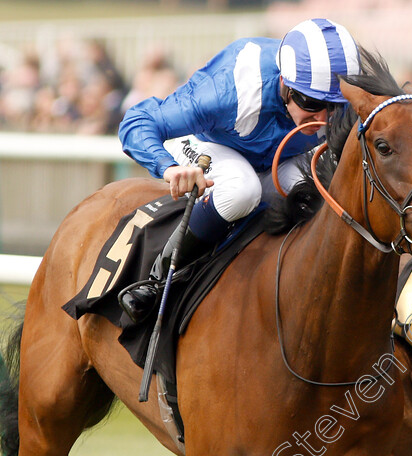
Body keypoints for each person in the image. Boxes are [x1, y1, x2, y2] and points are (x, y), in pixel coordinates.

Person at [117, 18, 360, 323]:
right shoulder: (229, 90)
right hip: (208, 144)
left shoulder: (344, 94)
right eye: (311, 102)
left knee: (316, 193)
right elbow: (137, 120)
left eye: (335, 106)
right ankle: (158, 278)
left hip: (277, 156)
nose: (324, 118)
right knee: (243, 189)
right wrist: (169, 169)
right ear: (285, 84)